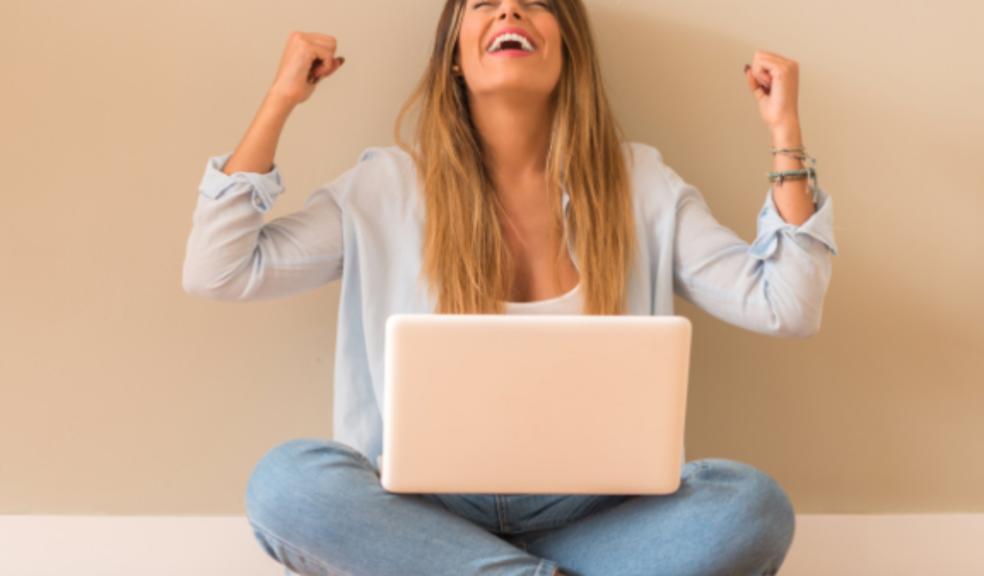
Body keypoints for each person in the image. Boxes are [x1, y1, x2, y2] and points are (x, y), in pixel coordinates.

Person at [182, 0, 838, 574]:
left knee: (752, 506)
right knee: (286, 484)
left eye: (533, 2)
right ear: (456, 57)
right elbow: (221, 268)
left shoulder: (640, 182)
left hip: (598, 520)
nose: (509, 12)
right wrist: (280, 101)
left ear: (567, 50)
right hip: (421, 515)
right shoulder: (385, 187)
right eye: (485, 3)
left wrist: (787, 135)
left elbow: (786, 305)